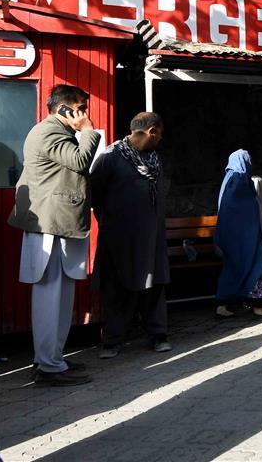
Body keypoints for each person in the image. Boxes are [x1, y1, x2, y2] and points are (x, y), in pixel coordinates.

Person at [8, 85, 101, 386]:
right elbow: (78, 161)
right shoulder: (49, 131)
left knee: (62, 295)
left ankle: (53, 360)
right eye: (82, 108)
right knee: (50, 294)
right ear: (65, 108)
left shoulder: (55, 131)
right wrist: (88, 131)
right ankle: (47, 366)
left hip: (58, 222)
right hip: (49, 224)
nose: (85, 114)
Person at [91, 112, 171, 358]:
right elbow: (95, 195)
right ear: (152, 131)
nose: (160, 140)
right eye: (160, 134)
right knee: (118, 286)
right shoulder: (111, 156)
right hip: (120, 236)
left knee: (154, 285)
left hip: (152, 236)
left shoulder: (154, 158)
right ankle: (113, 340)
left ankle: (158, 334)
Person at [214, 150, 262, 319]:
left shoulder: (227, 179)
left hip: (228, 237)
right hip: (245, 238)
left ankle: (222, 305)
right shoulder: (241, 181)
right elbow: (248, 211)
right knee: (253, 265)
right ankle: (259, 307)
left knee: (232, 269)